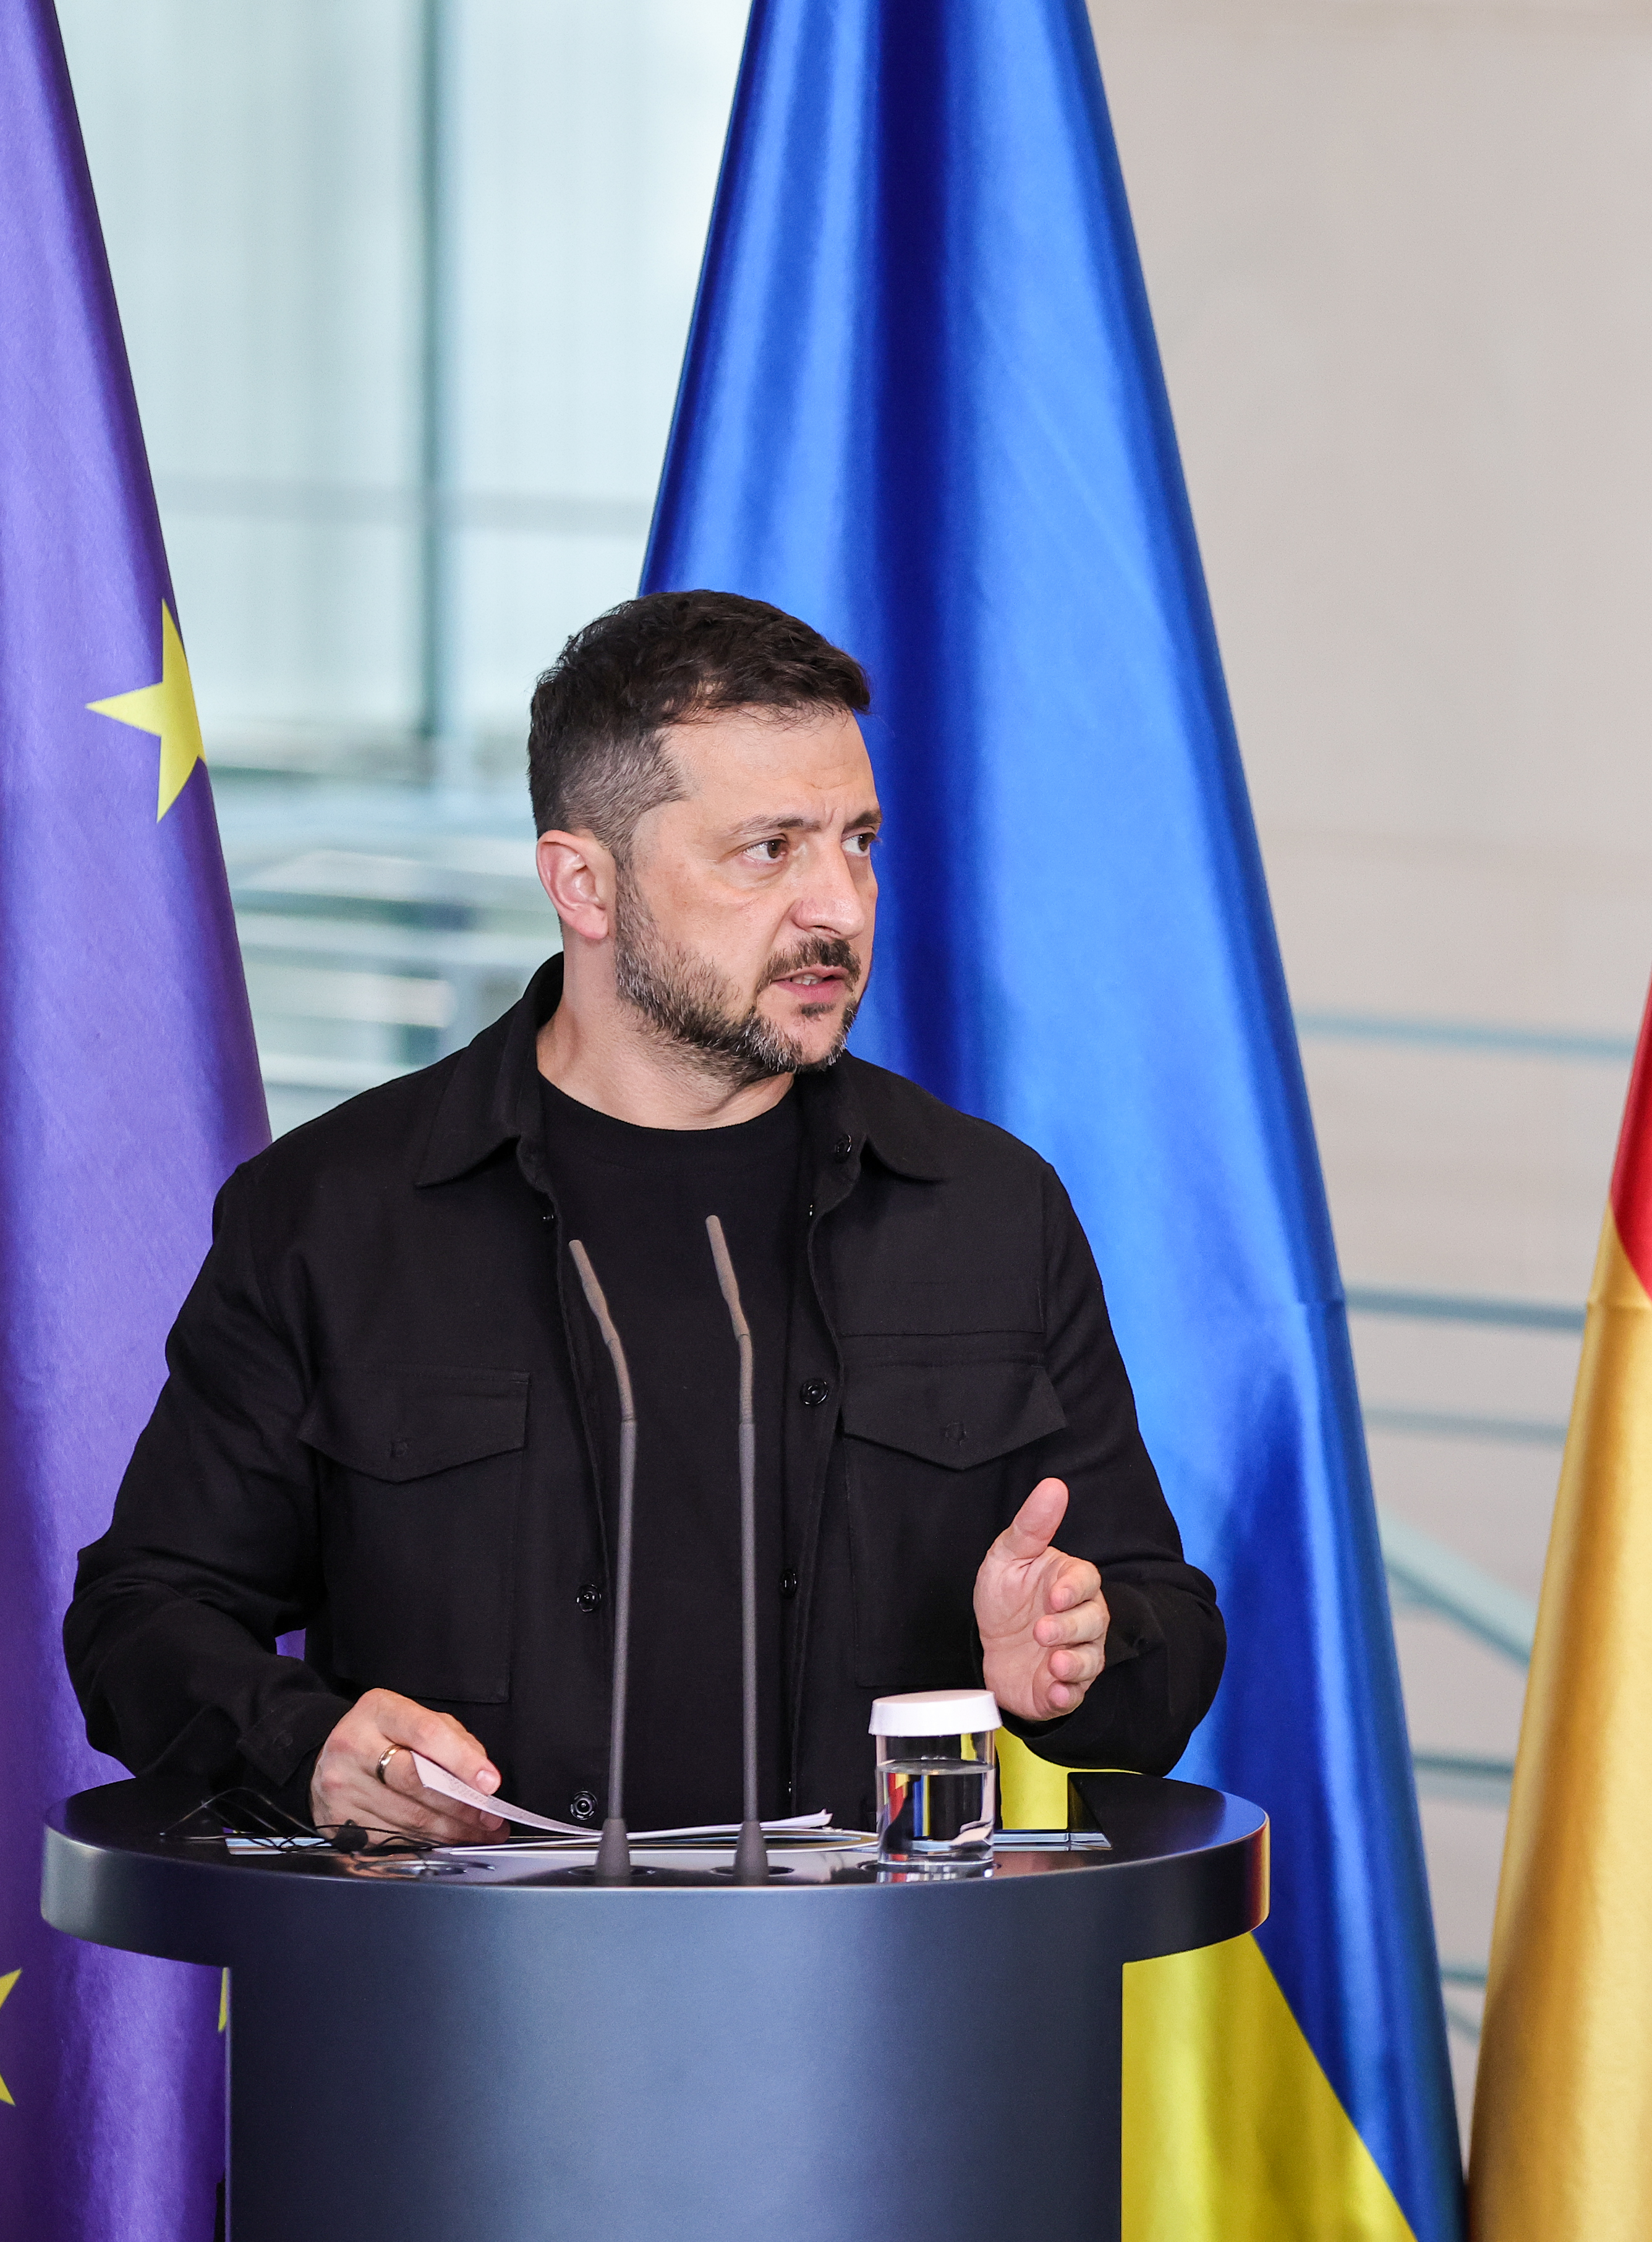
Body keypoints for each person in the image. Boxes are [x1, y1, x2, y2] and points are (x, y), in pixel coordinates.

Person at [68, 590, 1223, 1844]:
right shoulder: (335, 1213)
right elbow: (143, 1612)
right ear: (584, 884)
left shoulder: (990, 1211)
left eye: (859, 840)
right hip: (456, 1999)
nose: (837, 905)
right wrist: (310, 1748)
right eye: (768, 850)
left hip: (878, 2009)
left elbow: (1163, 1633)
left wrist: (1077, 1651)